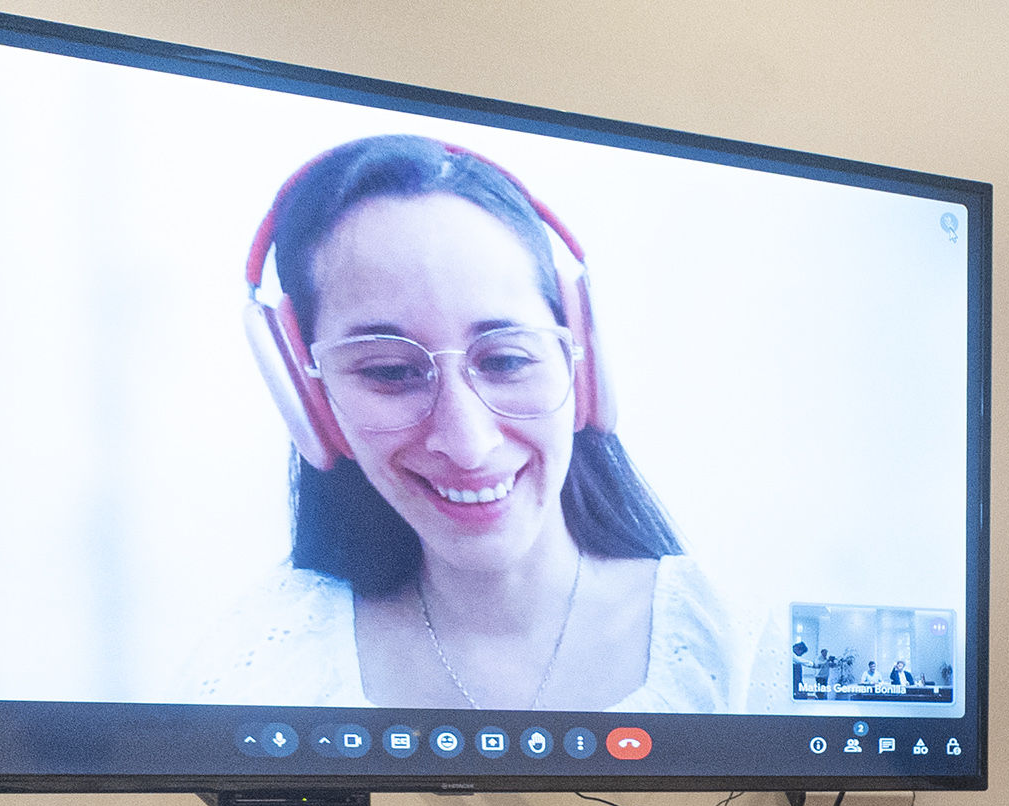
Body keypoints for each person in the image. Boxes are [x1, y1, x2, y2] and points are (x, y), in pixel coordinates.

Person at [189, 135, 739, 713]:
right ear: (310, 400)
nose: (468, 444)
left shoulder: (742, 648)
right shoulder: (255, 673)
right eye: (391, 371)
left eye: (505, 360)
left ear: (583, 366)